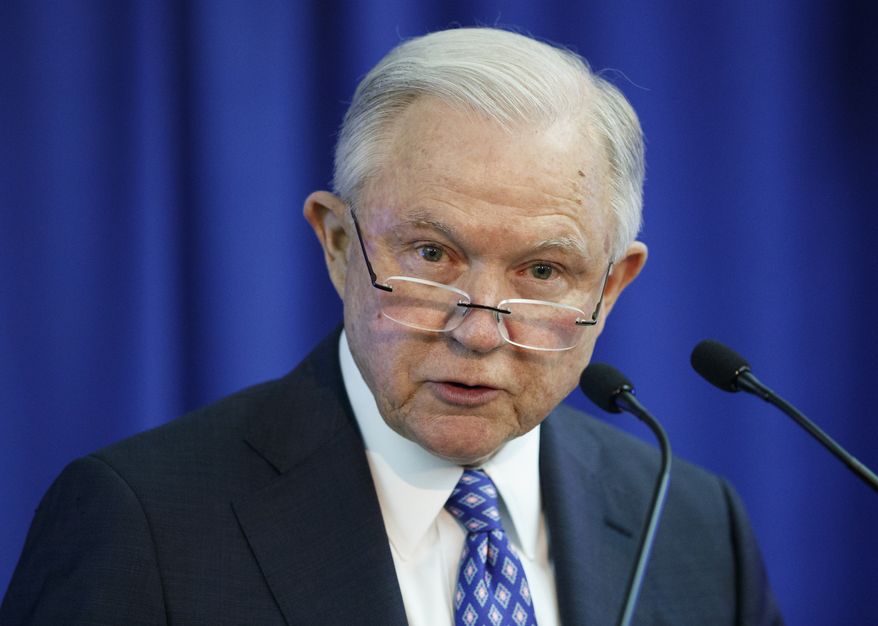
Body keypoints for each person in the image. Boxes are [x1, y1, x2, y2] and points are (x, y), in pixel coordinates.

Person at [1, 27, 782, 625]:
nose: (479, 333)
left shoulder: (688, 522)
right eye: (432, 254)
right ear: (338, 244)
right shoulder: (140, 521)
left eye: (542, 272)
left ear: (611, 287)